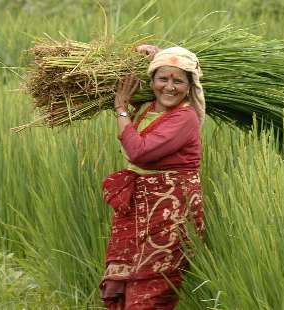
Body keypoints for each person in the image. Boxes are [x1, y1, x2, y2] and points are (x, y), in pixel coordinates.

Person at [99, 45, 206, 309]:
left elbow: (138, 152)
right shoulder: (147, 107)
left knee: (150, 289)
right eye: (163, 79)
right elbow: (134, 75)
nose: (170, 87)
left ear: (189, 87)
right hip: (137, 210)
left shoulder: (185, 117)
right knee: (123, 286)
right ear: (152, 81)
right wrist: (147, 53)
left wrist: (121, 108)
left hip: (169, 214)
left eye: (178, 81)